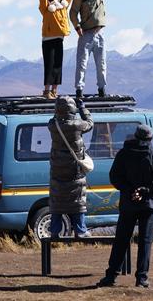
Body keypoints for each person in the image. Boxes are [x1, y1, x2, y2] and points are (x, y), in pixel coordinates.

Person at [99, 124, 153, 288]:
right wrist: (147, 190)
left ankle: (111, 276)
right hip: (149, 204)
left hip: (128, 203)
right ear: (150, 139)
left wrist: (129, 190)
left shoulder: (124, 154)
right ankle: (142, 278)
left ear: (135, 137)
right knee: (145, 242)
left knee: (121, 240)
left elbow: (114, 176)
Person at [47, 96, 94, 238]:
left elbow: (55, 117)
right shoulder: (77, 125)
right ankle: (80, 230)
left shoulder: (53, 126)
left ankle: (54, 231)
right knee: (77, 198)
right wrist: (83, 108)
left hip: (57, 171)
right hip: (75, 170)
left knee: (57, 200)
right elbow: (90, 123)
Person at [69, 0, 119, 98]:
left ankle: (102, 89)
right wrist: (77, 27)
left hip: (100, 34)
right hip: (86, 34)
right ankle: (79, 90)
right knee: (82, 63)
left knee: (101, 64)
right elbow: (72, 12)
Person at [35, 0, 79, 99]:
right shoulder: (46, 8)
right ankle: (46, 91)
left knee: (58, 65)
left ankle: (54, 90)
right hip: (47, 39)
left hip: (59, 39)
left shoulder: (63, 6)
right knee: (49, 65)